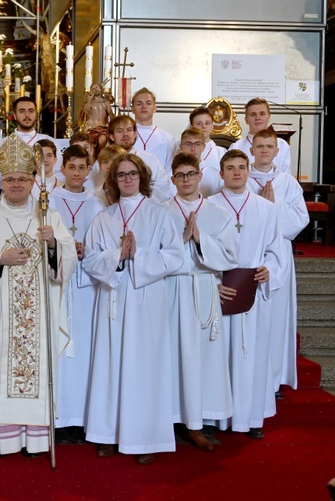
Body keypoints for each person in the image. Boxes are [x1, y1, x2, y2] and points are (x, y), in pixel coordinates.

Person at [0, 134, 78, 457]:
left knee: (38, 366)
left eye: (22, 179)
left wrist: (53, 244)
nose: (16, 185)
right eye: (10, 179)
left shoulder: (48, 217)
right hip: (0, 312)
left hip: (39, 312)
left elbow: (68, 260)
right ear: (2, 183)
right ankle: (3, 439)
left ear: (33, 181)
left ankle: (36, 440)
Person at [82, 153, 184, 464]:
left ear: (142, 177)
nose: (127, 179)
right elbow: (89, 259)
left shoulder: (159, 214)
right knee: (110, 363)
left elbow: (175, 256)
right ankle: (107, 434)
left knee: (144, 366)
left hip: (145, 298)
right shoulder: (104, 217)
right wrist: (117, 255)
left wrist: (138, 257)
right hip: (113, 298)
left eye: (132, 174)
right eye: (121, 175)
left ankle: (145, 437)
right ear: (113, 181)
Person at [163, 152, 238, 451]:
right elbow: (155, 253)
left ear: (199, 176)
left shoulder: (218, 214)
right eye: (179, 176)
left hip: (204, 290)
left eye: (190, 174)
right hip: (171, 289)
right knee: (172, 356)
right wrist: (182, 239)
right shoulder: (161, 211)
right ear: (172, 179)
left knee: (201, 357)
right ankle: (169, 418)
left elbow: (231, 255)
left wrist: (199, 240)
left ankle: (197, 422)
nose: (185, 180)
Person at [208, 149, 283, 439]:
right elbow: (198, 252)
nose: (237, 172)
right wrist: (212, 281)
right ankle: (217, 419)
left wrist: (269, 270)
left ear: (248, 171)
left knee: (250, 355)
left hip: (252, 290)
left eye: (241, 167)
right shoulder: (208, 206)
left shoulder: (267, 209)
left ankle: (251, 418)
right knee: (217, 355)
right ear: (221, 173)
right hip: (221, 290)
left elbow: (277, 252)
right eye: (230, 167)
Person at [48, 144, 105, 445]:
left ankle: (83, 415)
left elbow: (105, 239)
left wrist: (87, 249)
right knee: (59, 344)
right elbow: (40, 237)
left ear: (88, 170)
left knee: (85, 346)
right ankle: (58, 415)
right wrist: (66, 249)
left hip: (87, 286)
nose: (77, 173)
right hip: (59, 281)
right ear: (63, 169)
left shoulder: (97, 203)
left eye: (83, 168)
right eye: (72, 167)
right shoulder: (50, 201)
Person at [246, 130, 309, 394]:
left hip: (278, 258)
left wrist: (274, 205)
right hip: (249, 254)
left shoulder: (287, 183)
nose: (264, 150)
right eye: (259, 146)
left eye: (269, 146)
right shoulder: (242, 177)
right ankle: (248, 373)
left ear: (277, 151)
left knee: (276, 318)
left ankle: (272, 379)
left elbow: (300, 220)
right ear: (252, 150)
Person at [107, 114, 174, 202]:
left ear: (135, 133)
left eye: (129, 130)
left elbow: (163, 188)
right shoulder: (104, 162)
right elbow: (97, 190)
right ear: (112, 136)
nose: (125, 134)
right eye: (120, 131)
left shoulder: (150, 160)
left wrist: (139, 202)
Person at [229, 98, 292, 173]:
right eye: (253, 115)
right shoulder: (236, 147)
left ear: (269, 117)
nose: (258, 118)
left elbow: (286, 178)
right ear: (246, 120)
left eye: (262, 114)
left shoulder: (282, 145)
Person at [11, 96, 63, 179]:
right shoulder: (4, 144)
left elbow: (59, 171)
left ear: (36, 114)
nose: (27, 115)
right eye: (22, 111)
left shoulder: (49, 141)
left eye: (31, 111)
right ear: (14, 115)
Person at [131, 87, 176, 172]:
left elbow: (170, 172)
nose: (144, 107)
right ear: (132, 109)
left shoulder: (168, 139)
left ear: (155, 108)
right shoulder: (124, 136)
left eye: (148, 103)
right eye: (139, 104)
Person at [178, 126, 223, 197]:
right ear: (181, 147)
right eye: (188, 144)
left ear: (203, 147)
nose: (193, 149)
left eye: (197, 144)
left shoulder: (216, 176)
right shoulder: (172, 174)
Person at [189, 106, 226, 174]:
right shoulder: (186, 150)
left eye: (207, 123)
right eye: (199, 124)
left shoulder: (221, 153)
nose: (204, 126)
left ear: (212, 126)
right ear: (192, 127)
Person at [80, 83, 114, 152]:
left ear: (101, 89)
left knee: (102, 140)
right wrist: (89, 100)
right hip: (90, 126)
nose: (95, 89)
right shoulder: (89, 102)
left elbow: (111, 115)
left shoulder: (106, 102)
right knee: (84, 142)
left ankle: (102, 156)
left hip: (102, 126)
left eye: (97, 87)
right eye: (93, 88)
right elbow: (86, 111)